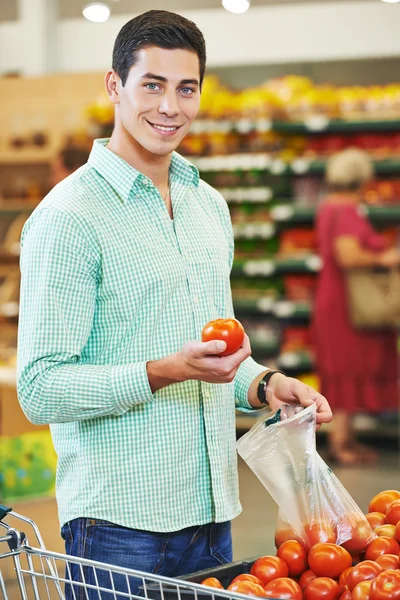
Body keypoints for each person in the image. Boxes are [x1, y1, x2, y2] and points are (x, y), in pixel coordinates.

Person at [17, 10, 332, 597]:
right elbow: (39, 388)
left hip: (214, 512)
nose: (170, 107)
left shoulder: (206, 206)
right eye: (152, 85)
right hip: (118, 524)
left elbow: (217, 355)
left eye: (186, 89)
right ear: (115, 86)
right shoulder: (69, 219)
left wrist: (265, 385)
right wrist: (164, 371)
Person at [313, 148, 399, 466]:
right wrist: (384, 257)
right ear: (362, 178)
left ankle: (346, 439)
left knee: (341, 370)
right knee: (347, 369)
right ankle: (340, 445)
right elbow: (346, 255)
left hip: (333, 297)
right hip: (346, 304)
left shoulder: (327, 208)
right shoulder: (348, 211)